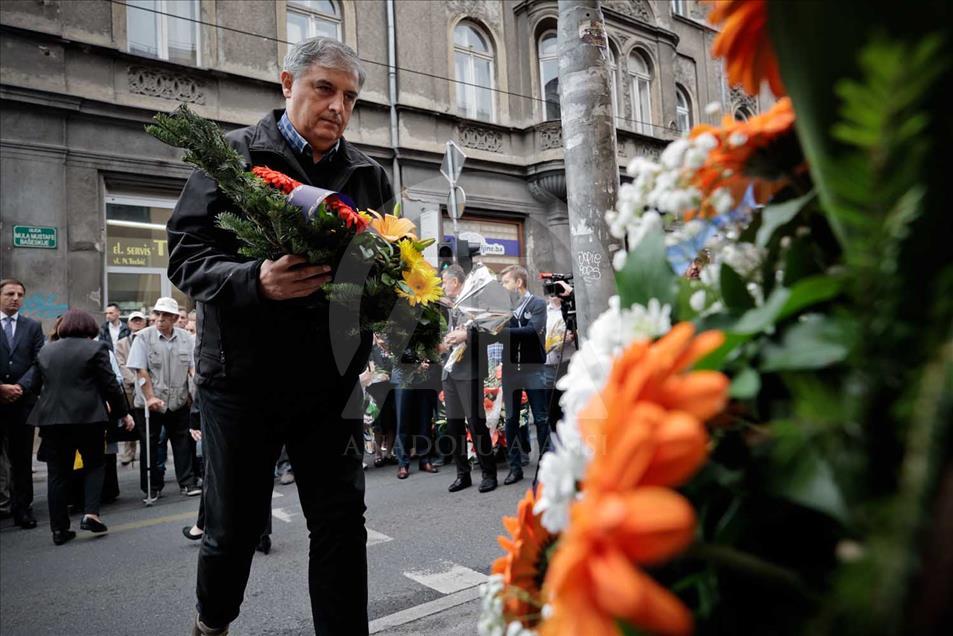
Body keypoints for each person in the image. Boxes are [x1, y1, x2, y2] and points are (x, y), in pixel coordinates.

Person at [167, 36, 393, 636]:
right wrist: (255, 282)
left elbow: (382, 271)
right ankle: (211, 623)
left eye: (350, 97)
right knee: (233, 529)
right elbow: (186, 257)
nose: (338, 108)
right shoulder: (231, 158)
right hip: (242, 383)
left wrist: (392, 305)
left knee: (342, 524)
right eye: (324, 88)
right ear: (287, 83)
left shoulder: (368, 177)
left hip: (330, 386)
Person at [28, 309, 134, 545]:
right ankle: (91, 514)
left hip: (52, 420)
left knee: (57, 474)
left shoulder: (46, 350)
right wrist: (122, 414)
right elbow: (110, 386)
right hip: (89, 418)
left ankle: (59, 529)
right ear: (89, 328)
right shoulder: (96, 348)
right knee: (95, 465)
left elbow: (34, 385)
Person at [126, 297, 200, 498]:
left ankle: (187, 482)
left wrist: (195, 392)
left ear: (175, 318)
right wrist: (150, 398)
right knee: (150, 444)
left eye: (166, 315)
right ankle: (152, 486)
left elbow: (193, 368)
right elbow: (140, 370)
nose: (160, 319)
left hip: (178, 400)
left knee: (183, 441)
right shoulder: (142, 337)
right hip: (149, 403)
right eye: (157, 314)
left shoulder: (187, 338)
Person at [440, 265, 497, 494]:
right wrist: (444, 343)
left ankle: (488, 474)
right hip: (450, 370)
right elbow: (450, 333)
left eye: (445, 281)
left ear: (455, 282)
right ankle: (462, 474)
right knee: (453, 426)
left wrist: (466, 335)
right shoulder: (451, 306)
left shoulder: (475, 302)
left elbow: (491, 330)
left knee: (476, 423)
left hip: (470, 370)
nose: (443, 286)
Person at [496, 265, 550, 486]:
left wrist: (500, 331)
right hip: (510, 370)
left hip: (533, 369)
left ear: (518, 283)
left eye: (506, 282)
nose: (503, 287)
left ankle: (546, 468)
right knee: (510, 420)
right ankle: (515, 467)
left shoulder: (537, 304)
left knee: (540, 418)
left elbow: (532, 331)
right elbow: (495, 338)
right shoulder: (502, 308)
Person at [0, 279, 45, 530]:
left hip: (22, 402)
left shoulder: (32, 327)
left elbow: (39, 361)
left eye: (19, 294)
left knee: (21, 461)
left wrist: (20, 387)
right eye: (9, 294)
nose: (15, 298)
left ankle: (22, 508)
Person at [392, 348, 440, 479]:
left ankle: (425, 459)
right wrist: (414, 365)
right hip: (402, 376)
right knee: (402, 420)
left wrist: (426, 362)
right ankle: (403, 463)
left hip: (424, 378)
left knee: (425, 420)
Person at [115, 311, 147, 465]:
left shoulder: (149, 340)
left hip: (147, 388)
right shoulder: (121, 343)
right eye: (133, 320)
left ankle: (146, 453)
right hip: (129, 389)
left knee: (146, 423)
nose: (137, 323)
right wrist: (137, 380)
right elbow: (121, 365)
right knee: (130, 421)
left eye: (139, 320)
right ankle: (129, 452)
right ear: (128, 323)